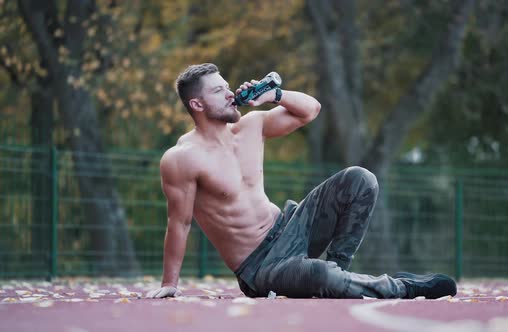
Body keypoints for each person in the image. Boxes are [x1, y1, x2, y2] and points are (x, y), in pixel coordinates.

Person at [146, 63, 457, 299]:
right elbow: (180, 223)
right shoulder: (181, 158)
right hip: (262, 267)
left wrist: (274, 95)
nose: (230, 93)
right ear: (196, 105)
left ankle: (340, 271)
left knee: (361, 179)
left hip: (292, 226)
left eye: (227, 86)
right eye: (218, 91)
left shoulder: (252, 125)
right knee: (322, 277)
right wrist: (169, 284)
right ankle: (400, 287)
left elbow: (311, 110)